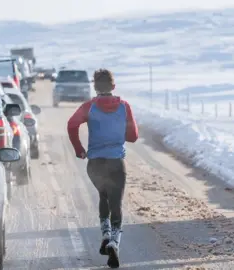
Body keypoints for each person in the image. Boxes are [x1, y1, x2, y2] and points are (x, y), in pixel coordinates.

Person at [67, 68, 138, 268]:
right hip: (116, 163)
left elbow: (72, 125)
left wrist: (79, 149)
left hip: (95, 163)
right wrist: (115, 132)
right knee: (116, 202)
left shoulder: (88, 107)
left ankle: (105, 233)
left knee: (104, 196)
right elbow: (133, 137)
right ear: (113, 86)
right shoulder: (124, 107)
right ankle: (114, 241)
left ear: (95, 87)